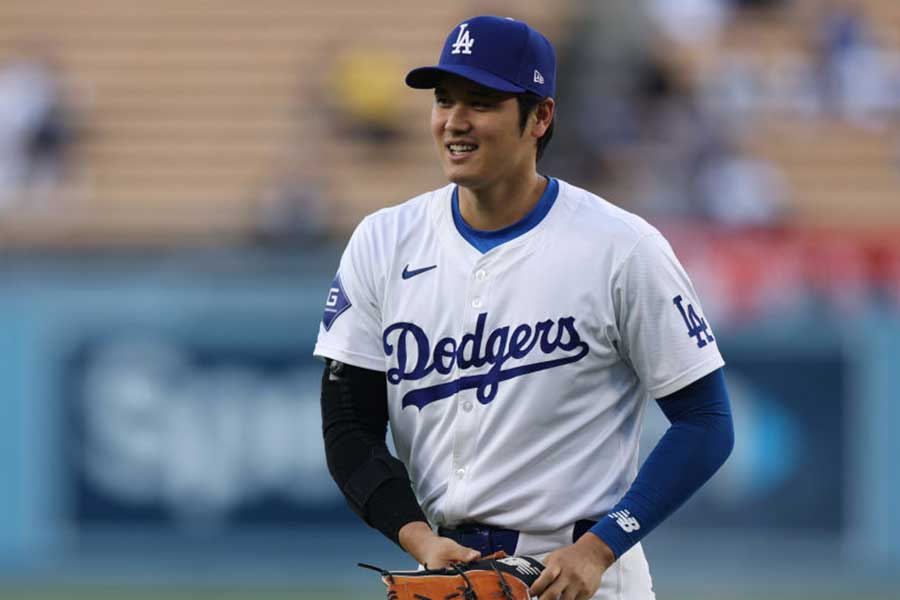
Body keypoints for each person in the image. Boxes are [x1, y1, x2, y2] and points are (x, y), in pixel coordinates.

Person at [315, 16, 734, 600]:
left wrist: (601, 546)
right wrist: (418, 539)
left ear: (540, 117)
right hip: (452, 573)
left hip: (586, 578)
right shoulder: (383, 241)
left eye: (481, 102)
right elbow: (349, 425)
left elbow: (706, 422)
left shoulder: (622, 247)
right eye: (443, 99)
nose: (454, 121)